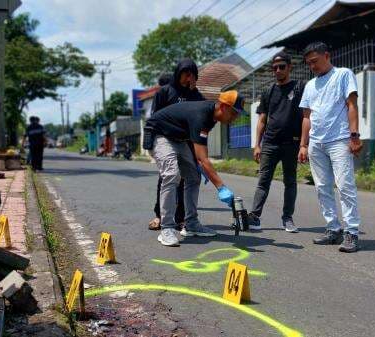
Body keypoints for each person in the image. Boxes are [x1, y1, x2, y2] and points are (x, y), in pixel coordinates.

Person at [145, 90, 244, 247]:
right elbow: (203, 158)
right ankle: (167, 228)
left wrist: (198, 163)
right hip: (159, 134)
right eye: (234, 113)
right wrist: (221, 187)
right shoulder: (202, 116)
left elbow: (198, 146)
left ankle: (191, 224)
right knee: (172, 174)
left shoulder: (212, 117)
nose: (235, 118)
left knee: (193, 176)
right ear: (224, 107)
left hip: (179, 138)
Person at [298, 42, 363, 253]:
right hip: (316, 143)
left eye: (315, 61)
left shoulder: (343, 74)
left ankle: (351, 232)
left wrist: (354, 135)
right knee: (322, 187)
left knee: (345, 186)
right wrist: (303, 145)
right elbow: (307, 117)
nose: (312, 66)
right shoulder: (309, 86)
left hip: (340, 140)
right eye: (309, 63)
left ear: (327, 55)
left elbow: (352, 105)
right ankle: (333, 229)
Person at [247, 52, 305, 233]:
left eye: (281, 67)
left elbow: (306, 116)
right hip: (270, 143)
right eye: (275, 68)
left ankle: (287, 218)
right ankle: (254, 217)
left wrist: (304, 144)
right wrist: (257, 144)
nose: (278, 70)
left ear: (289, 67)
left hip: (292, 143)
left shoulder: (299, 88)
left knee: (290, 182)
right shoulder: (268, 91)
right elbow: (262, 120)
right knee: (263, 181)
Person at [148, 60, 205, 231]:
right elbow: (154, 118)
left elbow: (203, 116)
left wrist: (194, 90)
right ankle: (160, 216)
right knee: (168, 177)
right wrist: (151, 144)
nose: (188, 77)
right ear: (178, 73)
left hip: (184, 142)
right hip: (165, 140)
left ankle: (181, 219)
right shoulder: (165, 92)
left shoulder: (195, 94)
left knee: (188, 178)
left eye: (192, 74)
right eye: (185, 73)